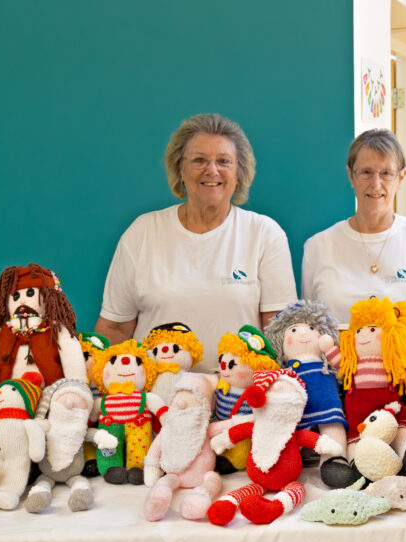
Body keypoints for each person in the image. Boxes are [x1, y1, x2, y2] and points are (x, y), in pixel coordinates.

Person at [96, 113, 297, 371]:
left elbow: (279, 332)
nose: (211, 170)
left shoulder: (265, 233)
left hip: (240, 399)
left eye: (224, 161)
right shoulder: (142, 232)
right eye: (199, 160)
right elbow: (115, 327)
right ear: (180, 169)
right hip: (156, 399)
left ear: (239, 173)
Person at [301, 129, 406, 323]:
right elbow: (309, 328)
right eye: (366, 172)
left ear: (401, 177)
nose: (376, 184)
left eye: (386, 173)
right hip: (338, 354)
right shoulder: (318, 246)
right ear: (350, 176)